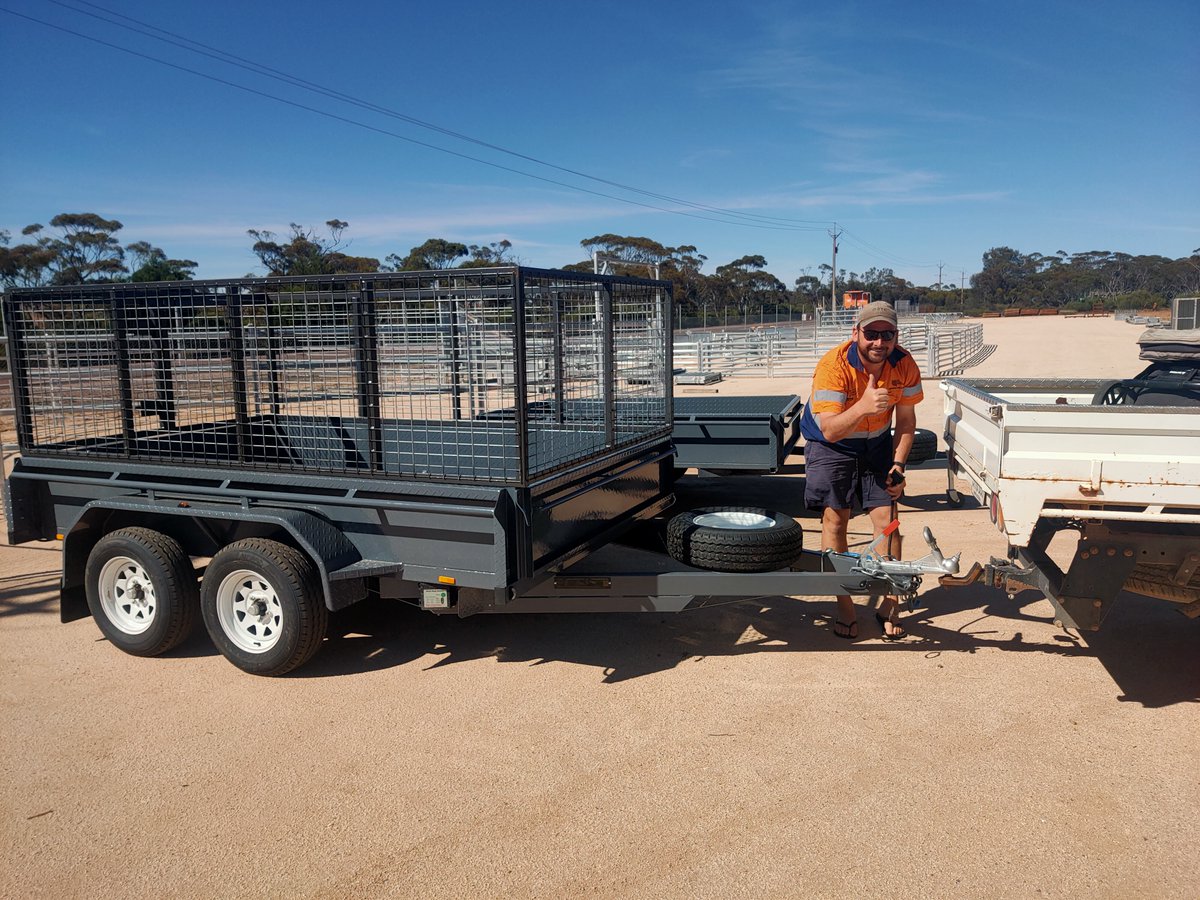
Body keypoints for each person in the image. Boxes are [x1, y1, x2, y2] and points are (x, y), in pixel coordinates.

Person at [799, 301, 924, 641]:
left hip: (877, 444)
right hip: (831, 445)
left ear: (896, 336)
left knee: (888, 523)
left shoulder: (904, 363)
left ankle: (889, 604)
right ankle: (846, 607)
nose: (879, 342)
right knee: (835, 521)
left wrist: (898, 464)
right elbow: (829, 430)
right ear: (856, 333)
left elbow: (906, 421)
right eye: (871, 334)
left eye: (887, 334)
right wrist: (865, 406)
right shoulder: (833, 366)